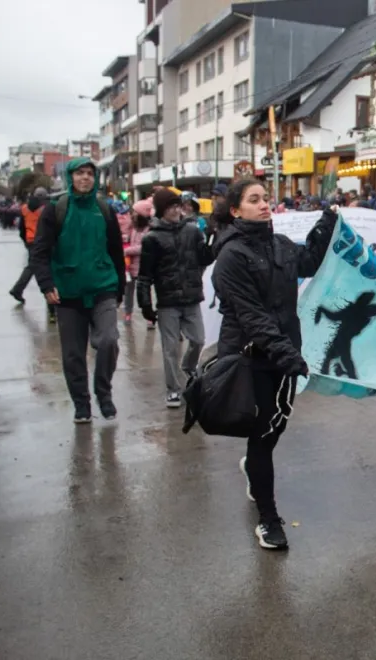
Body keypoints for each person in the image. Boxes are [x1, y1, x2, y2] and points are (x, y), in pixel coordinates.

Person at [212, 178, 336, 550]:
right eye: (254, 200)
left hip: (284, 353)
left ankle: (253, 468)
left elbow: (309, 261)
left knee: (275, 426)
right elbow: (252, 317)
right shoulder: (231, 256)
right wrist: (288, 355)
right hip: (249, 358)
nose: (264, 204)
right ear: (236, 210)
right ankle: (268, 519)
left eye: (266, 198)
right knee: (262, 436)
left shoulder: (280, 244)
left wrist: (328, 222)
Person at [29, 158, 126, 424]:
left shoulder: (104, 209)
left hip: (103, 287)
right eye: (80, 173)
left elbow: (116, 252)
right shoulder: (55, 210)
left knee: (108, 341)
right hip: (68, 292)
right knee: (73, 355)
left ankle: (103, 392)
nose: (85, 178)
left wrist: (119, 288)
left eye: (90, 174)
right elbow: (39, 253)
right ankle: (81, 404)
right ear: (70, 177)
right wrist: (46, 285)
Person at [137, 188, 215, 408]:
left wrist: (213, 240)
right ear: (161, 210)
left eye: (177, 206)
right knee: (170, 348)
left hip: (191, 297)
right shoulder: (152, 238)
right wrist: (145, 304)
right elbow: (145, 275)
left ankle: (188, 365)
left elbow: (204, 257)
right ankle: (173, 389)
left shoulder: (192, 231)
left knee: (198, 339)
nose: (175, 211)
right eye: (170, 207)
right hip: (168, 301)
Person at [9, 187, 55, 322]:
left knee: (33, 266)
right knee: (45, 270)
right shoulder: (47, 208)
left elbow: (21, 229)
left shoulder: (24, 208)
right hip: (44, 241)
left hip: (31, 241)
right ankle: (51, 308)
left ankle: (17, 289)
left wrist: (26, 241)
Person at [123, 199, 153, 324]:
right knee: (128, 292)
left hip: (143, 267)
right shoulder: (134, 227)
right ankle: (127, 313)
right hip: (130, 267)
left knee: (144, 293)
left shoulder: (149, 229)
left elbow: (144, 247)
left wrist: (127, 250)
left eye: (135, 212)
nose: (133, 214)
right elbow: (129, 238)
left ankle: (149, 316)